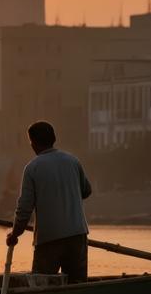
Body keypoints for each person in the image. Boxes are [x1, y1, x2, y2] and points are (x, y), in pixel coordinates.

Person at [6, 121, 92, 282]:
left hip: (48, 239)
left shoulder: (32, 168)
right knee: (77, 284)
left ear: (33, 143)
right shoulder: (73, 161)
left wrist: (15, 234)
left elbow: (24, 209)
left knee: (41, 283)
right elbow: (86, 191)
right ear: (53, 138)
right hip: (77, 235)